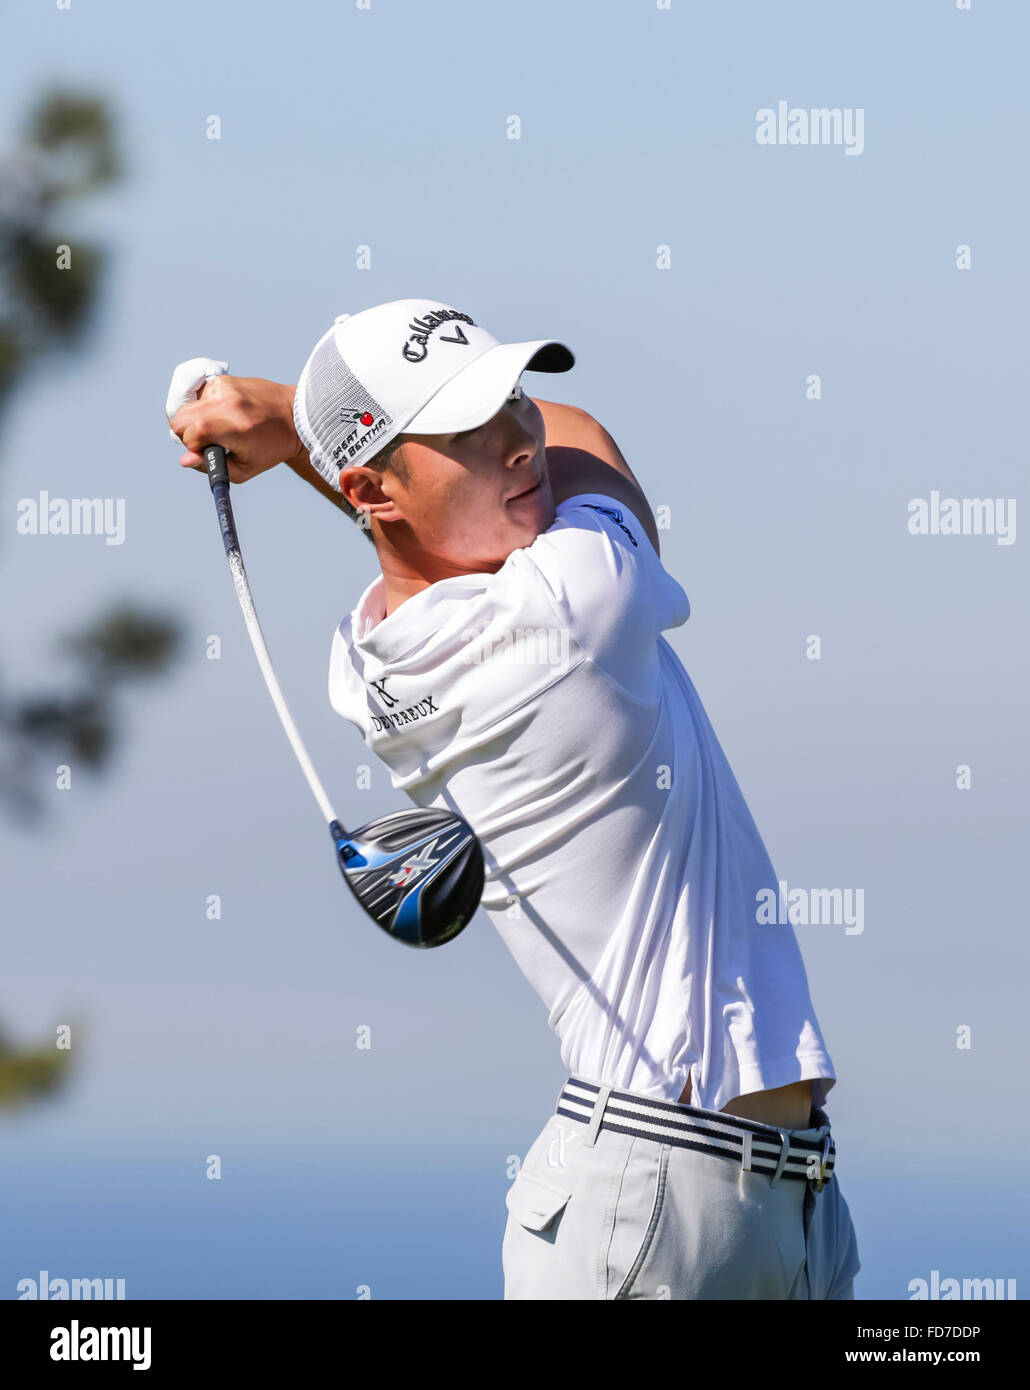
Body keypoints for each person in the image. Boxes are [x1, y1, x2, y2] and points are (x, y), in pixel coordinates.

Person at [166, 297, 861, 1300]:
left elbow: (432, 536)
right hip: (664, 1198)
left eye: (513, 400)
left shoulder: (374, 664)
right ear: (370, 483)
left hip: (730, 1188)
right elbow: (586, 440)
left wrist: (317, 447)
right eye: (466, 430)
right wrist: (281, 413)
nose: (519, 440)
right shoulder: (580, 604)